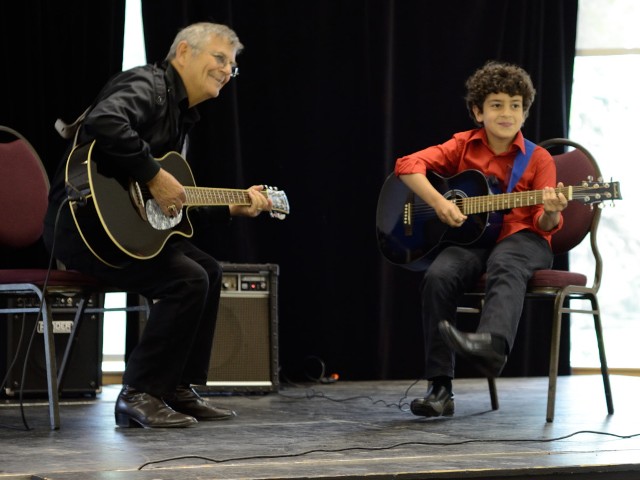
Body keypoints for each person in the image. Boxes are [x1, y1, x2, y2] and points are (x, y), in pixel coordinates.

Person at [43, 22, 272, 428]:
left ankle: (176, 387)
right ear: (183, 52)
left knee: (209, 270)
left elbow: (166, 202)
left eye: (232, 66)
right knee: (186, 279)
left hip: (120, 232)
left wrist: (229, 207)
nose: (225, 70)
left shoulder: (181, 114)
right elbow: (105, 121)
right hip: (83, 229)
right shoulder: (148, 84)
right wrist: (153, 173)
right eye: (219, 58)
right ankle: (139, 394)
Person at [394, 61, 568, 418]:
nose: (507, 113)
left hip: (524, 239)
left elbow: (545, 222)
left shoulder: (538, 158)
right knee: (439, 275)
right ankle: (439, 388)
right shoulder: (463, 145)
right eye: (497, 104)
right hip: (475, 240)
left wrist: (552, 210)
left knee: (507, 261)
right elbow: (407, 165)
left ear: (525, 111)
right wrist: (440, 203)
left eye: (516, 105)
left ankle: (493, 345)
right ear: (478, 111)